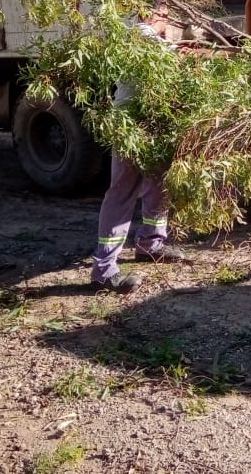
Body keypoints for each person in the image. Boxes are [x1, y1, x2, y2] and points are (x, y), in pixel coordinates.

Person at [90, 16, 191, 293]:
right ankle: (103, 270)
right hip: (131, 125)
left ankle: (150, 244)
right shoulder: (138, 32)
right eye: (162, 10)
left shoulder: (145, 33)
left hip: (153, 122)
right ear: (149, 12)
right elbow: (172, 59)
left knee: (158, 184)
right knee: (123, 191)